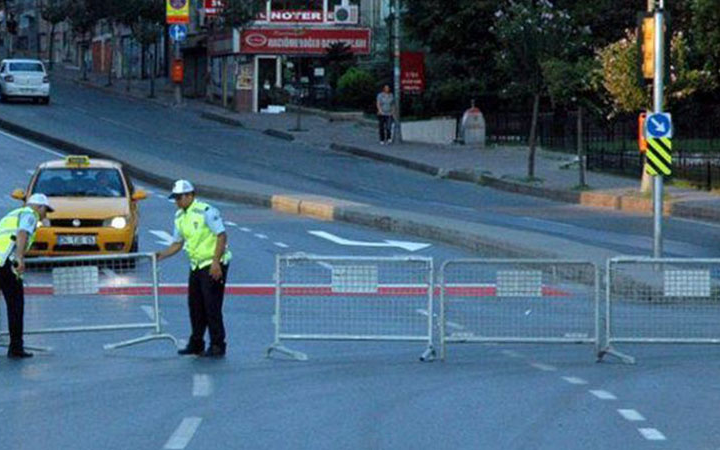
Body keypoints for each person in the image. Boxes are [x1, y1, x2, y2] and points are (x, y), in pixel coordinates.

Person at [156, 180, 231, 358]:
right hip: (196, 264)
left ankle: (217, 344)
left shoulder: (206, 211)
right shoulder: (179, 217)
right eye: (175, 198)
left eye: (179, 198)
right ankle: (196, 343)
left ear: (190, 195)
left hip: (212, 263)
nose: (177, 201)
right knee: (195, 305)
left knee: (212, 306)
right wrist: (160, 255)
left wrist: (216, 263)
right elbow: (177, 243)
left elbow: (221, 236)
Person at [0, 193, 54, 358]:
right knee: (15, 305)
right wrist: (19, 258)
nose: (46, 214)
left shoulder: (12, 214)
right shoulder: (30, 215)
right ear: (39, 207)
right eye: (46, 210)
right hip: (6, 263)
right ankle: (16, 347)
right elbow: (22, 233)